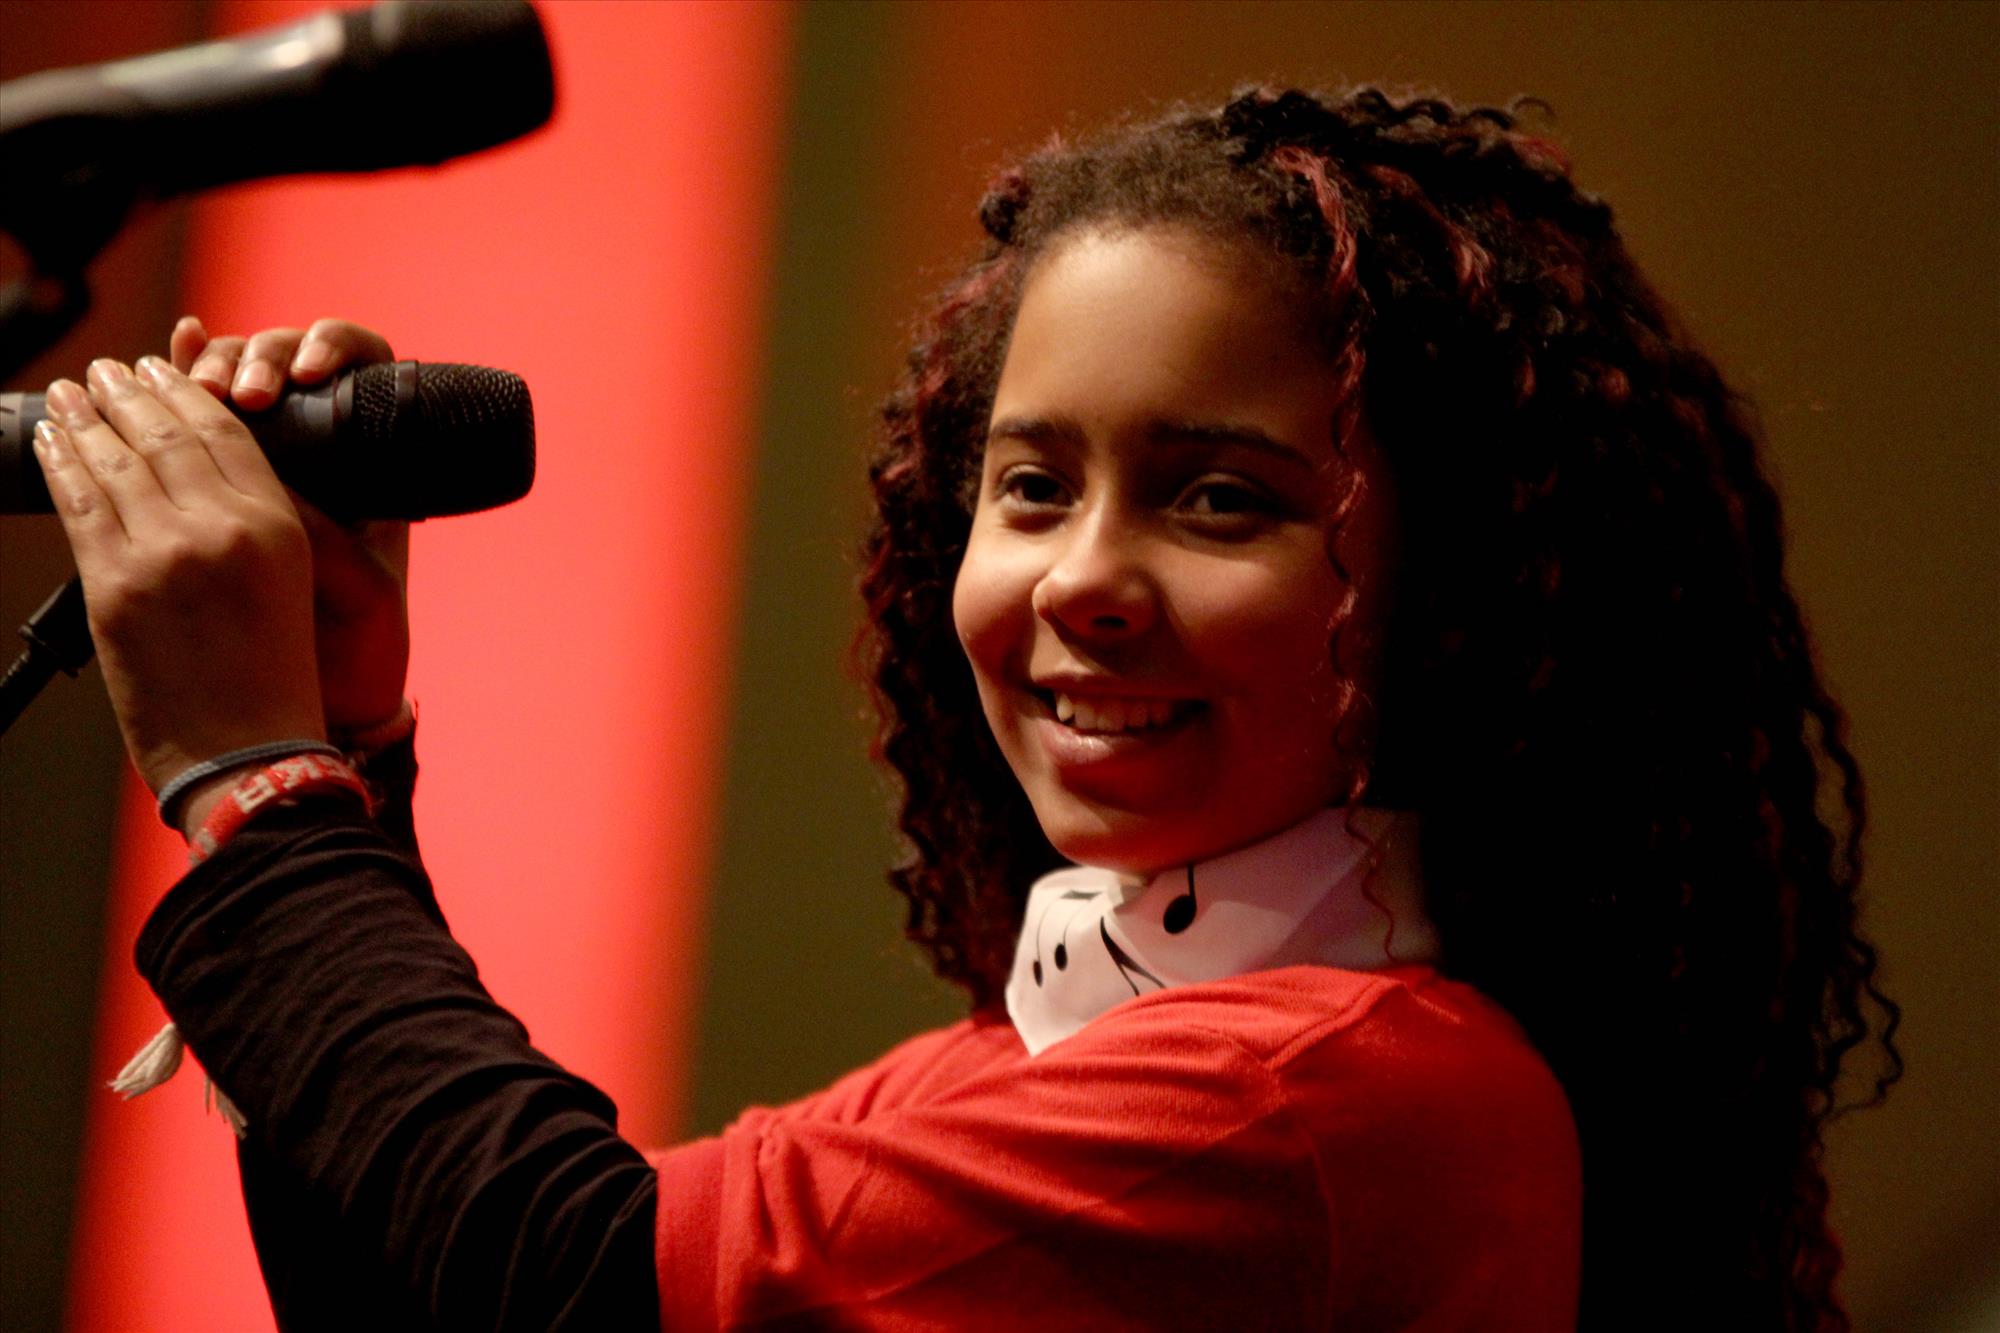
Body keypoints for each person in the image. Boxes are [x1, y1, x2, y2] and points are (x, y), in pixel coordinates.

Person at [29, 86, 1902, 1330]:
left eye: (1218, 498)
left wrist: (254, 774)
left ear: (1457, 594)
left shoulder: (1331, 1093)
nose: (1082, 577)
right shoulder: (1013, 1073)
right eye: (1031, 486)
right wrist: (339, 737)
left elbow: (565, 1284)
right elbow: (448, 1299)